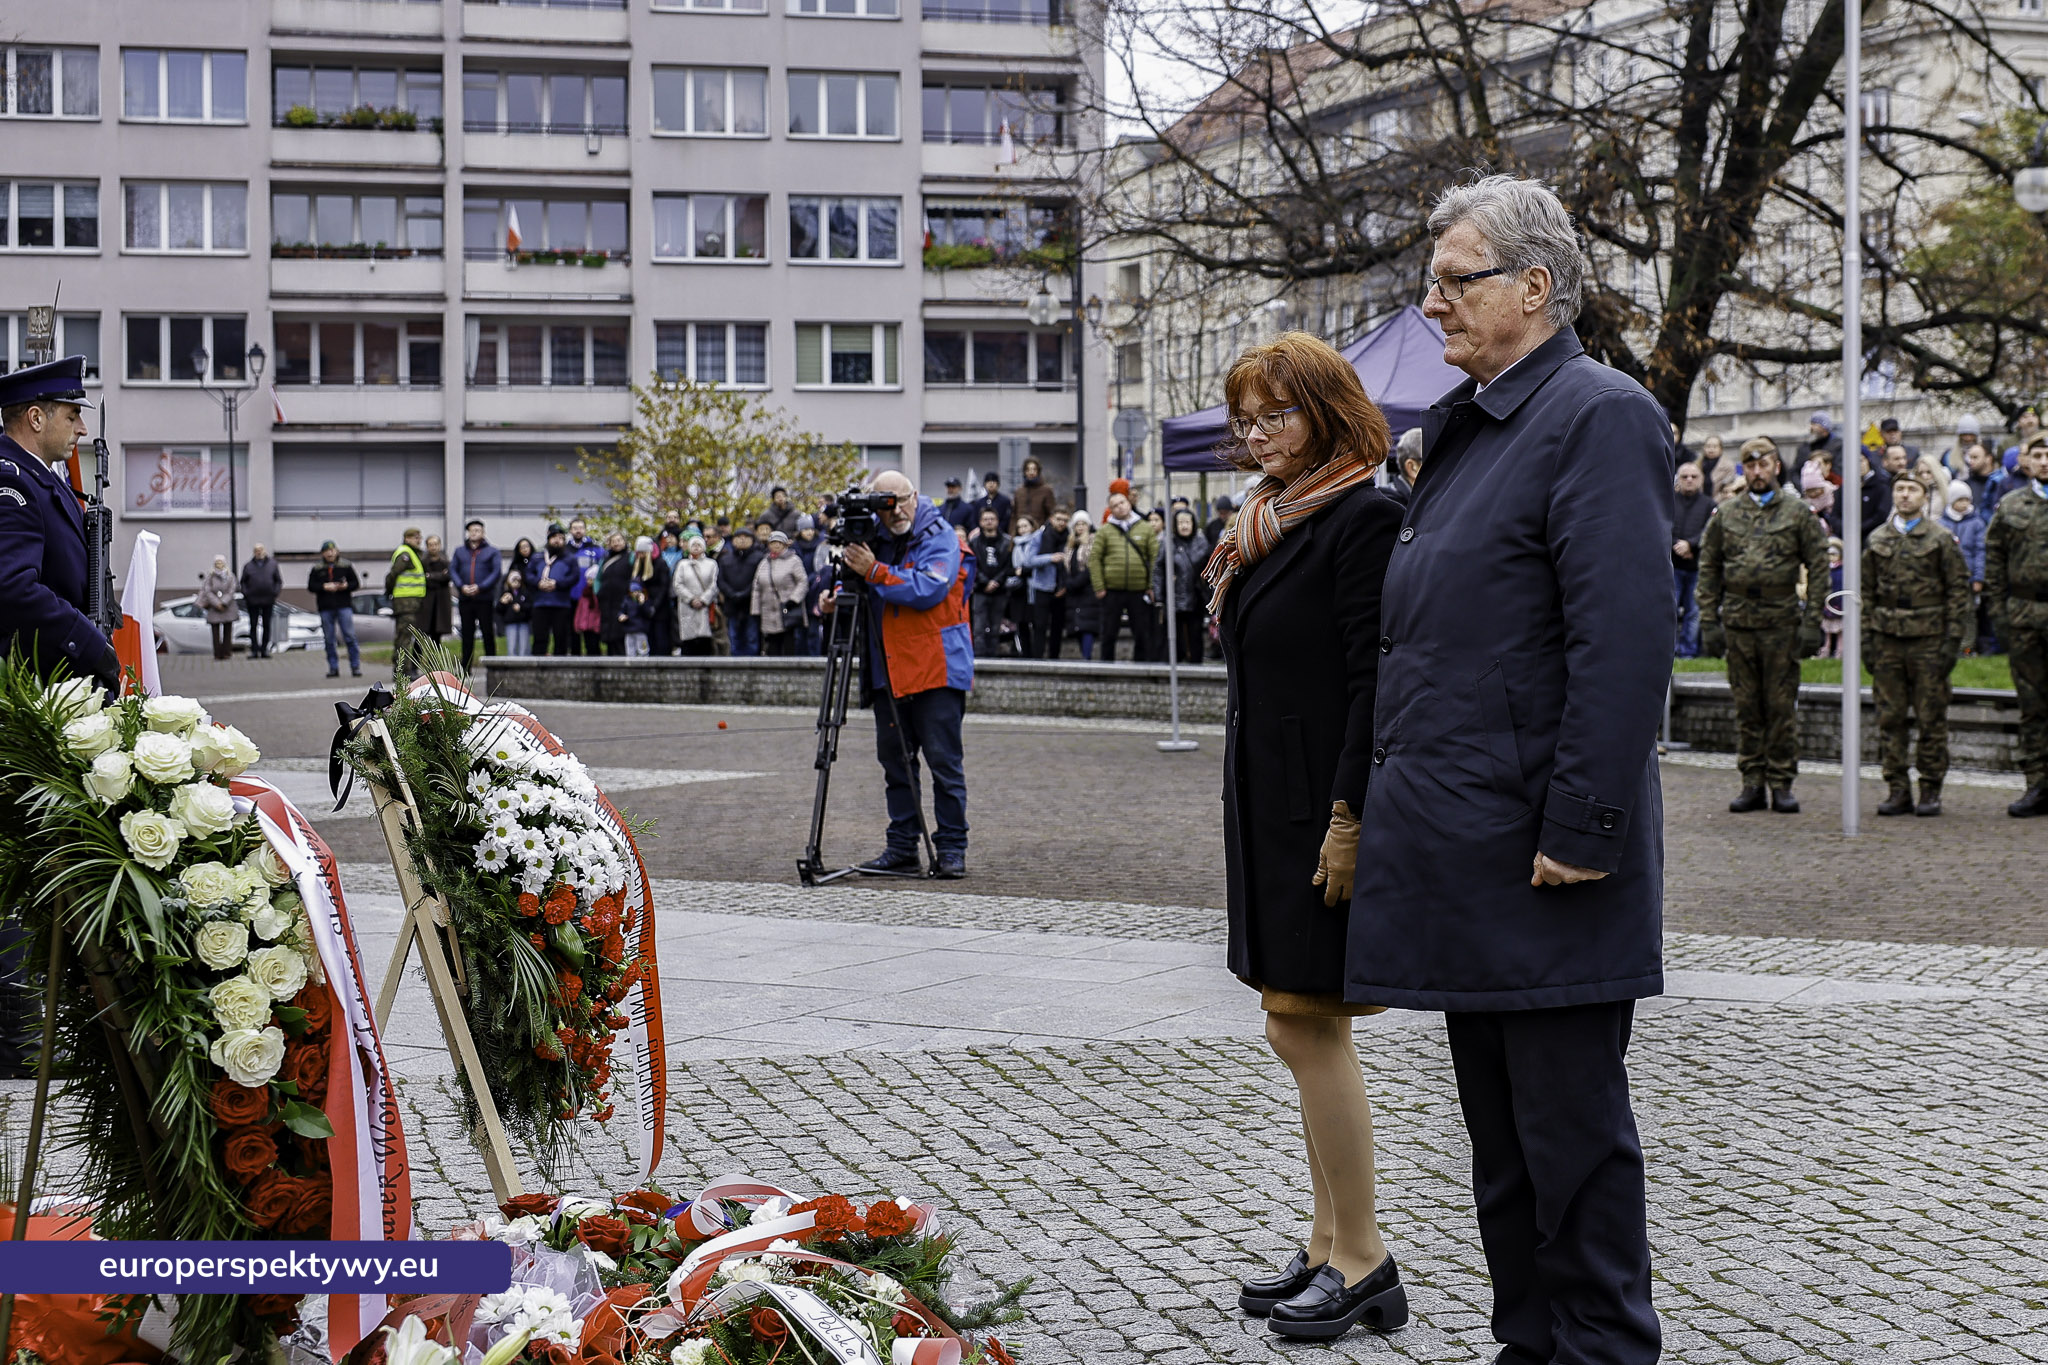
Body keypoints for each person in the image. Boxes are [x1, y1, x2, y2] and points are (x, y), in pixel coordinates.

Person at [1353, 174, 1669, 1365]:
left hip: (1548, 861)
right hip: (1467, 849)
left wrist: (1582, 829)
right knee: (1501, 1152)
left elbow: (1621, 643)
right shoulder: (1471, 429)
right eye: (1431, 279)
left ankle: (1596, 1352)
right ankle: (1527, 1348)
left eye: (1453, 279)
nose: (1429, 302)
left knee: (1571, 1151)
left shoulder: (1597, 414)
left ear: (1534, 288)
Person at [1199, 333, 1406, 1341]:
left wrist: (1347, 815)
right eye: (1246, 417)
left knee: (1304, 1022)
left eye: (1275, 413)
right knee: (1296, 1022)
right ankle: (1331, 1241)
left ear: (1325, 410)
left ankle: (1361, 1254)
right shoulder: (1270, 524)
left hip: (1318, 807)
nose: (1257, 434)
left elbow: (1376, 679)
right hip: (1268, 803)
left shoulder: (1361, 518)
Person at [821, 470, 974, 878]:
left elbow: (929, 589)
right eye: (888, 504)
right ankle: (903, 846)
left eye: (904, 499)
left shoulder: (940, 535)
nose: (899, 510)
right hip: (888, 669)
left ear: (916, 495)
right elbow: (869, 586)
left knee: (944, 763)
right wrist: (838, 597)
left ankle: (952, 848)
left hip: (936, 668)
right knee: (895, 763)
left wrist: (874, 572)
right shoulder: (874, 537)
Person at [1698, 439, 1831, 812]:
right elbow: (1709, 569)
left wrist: (1811, 621)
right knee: (1746, 706)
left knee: (1780, 705)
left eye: (1764, 465)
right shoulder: (1726, 514)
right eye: (1750, 466)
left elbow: (1819, 566)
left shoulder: (1797, 512)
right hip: (1740, 622)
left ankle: (1781, 781)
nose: (1757, 472)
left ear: (1775, 467)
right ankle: (1752, 780)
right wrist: (1709, 620)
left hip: (1781, 622)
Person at [0, 355, 120, 689]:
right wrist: (87, 643)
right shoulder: (11, 483)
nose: (82, 429)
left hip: (58, 675)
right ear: (36, 418)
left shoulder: (45, 480)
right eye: (73, 415)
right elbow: (12, 588)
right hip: (32, 684)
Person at [1862, 468, 1972, 817]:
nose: (1905, 495)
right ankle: (1897, 789)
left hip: (1928, 640)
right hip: (1888, 640)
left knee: (1931, 718)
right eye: (1899, 489)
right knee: (1890, 718)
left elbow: (1958, 592)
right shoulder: (1877, 539)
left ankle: (1930, 789)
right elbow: (1864, 593)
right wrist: (1866, 639)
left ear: (1925, 496)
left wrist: (1953, 642)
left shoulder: (1940, 539)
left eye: (1912, 489)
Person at [1984, 437, 2048, 816]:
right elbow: (1993, 564)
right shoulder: (2010, 506)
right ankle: (2037, 784)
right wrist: (2000, 616)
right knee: (2033, 705)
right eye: (2038, 456)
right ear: (2026, 462)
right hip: (2025, 614)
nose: (2045, 462)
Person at [1089, 490, 1159, 661]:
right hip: (1111, 590)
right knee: (1108, 633)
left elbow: (1155, 558)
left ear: (1129, 503)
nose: (1119, 507)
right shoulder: (1105, 531)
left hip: (1139, 590)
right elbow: (1095, 559)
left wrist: (1151, 586)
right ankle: (1106, 668)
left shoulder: (1145, 528)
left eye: (1122, 503)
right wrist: (1099, 586)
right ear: (1111, 510)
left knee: (1142, 633)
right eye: (1114, 505)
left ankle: (1141, 668)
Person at [1156, 506, 1211, 665]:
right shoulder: (1168, 542)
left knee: (1195, 634)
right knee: (1175, 634)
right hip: (1174, 596)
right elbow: (1159, 568)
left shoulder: (1201, 542)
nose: (1184, 526)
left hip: (1196, 596)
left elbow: (1210, 568)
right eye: (1181, 523)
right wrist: (1159, 594)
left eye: (1187, 522)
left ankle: (1195, 662)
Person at [1015, 507, 1071, 659]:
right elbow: (1029, 561)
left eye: (1065, 520)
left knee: (1057, 628)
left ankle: (1055, 658)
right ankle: (1037, 658)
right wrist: (1050, 558)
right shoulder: (1040, 536)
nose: (1062, 523)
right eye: (1059, 519)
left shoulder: (1069, 536)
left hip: (1062, 587)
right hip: (1042, 586)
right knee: (1039, 626)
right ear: (1052, 518)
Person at [1945, 482, 1991, 654]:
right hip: (1949, 577)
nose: (1964, 504)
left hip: (1969, 576)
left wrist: (1979, 577)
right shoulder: (1942, 523)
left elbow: (1981, 551)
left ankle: (1967, 647)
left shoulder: (1977, 523)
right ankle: (1950, 647)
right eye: (1960, 500)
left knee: (1969, 613)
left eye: (1967, 500)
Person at [1671, 461, 1711, 657]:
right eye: (1685, 476)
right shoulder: (1668, 501)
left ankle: (1688, 652)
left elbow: (1709, 530)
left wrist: (1691, 545)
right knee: (1669, 610)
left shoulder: (1709, 504)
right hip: (1672, 565)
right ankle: (1669, 651)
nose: (1689, 480)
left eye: (1694, 477)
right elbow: (1661, 526)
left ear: (1701, 480)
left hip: (1696, 566)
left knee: (1693, 612)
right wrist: (1676, 544)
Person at [528, 523, 584, 657]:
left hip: (561, 604)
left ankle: (560, 668)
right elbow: (528, 574)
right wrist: (538, 583)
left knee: (561, 638)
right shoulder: (538, 557)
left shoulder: (570, 558)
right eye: (554, 537)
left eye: (560, 537)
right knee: (540, 638)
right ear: (548, 539)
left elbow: (574, 577)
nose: (557, 540)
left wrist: (557, 584)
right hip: (540, 603)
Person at [452, 519, 502, 668]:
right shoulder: (459, 551)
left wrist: (481, 586)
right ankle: (465, 667)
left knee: (487, 632)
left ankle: (492, 665)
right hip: (465, 598)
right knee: (467, 634)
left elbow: (496, 572)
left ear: (483, 532)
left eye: (477, 530)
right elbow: (453, 570)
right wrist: (461, 586)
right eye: (471, 530)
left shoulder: (492, 551)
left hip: (484, 598)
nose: (474, 533)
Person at [309, 540, 362, 678]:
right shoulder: (317, 568)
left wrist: (345, 586)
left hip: (343, 605)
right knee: (329, 639)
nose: (330, 553)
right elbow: (311, 586)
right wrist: (324, 587)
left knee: (349, 636)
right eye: (327, 551)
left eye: (332, 550)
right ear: (323, 553)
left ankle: (355, 666)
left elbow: (355, 583)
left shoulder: (346, 565)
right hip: (326, 607)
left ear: (337, 551)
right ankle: (333, 668)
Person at [752, 530, 808, 656]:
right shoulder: (764, 563)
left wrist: (794, 599)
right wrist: (755, 609)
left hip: (787, 609)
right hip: (768, 609)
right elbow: (756, 587)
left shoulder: (794, 560)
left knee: (788, 641)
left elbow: (803, 581)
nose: (776, 546)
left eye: (779, 543)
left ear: (784, 545)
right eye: (773, 543)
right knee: (771, 643)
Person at [966, 509, 1012, 658]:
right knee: (978, 627)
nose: (989, 522)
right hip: (980, 589)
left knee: (995, 626)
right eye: (985, 519)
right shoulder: (974, 542)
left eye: (992, 518)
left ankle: (992, 656)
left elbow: (1008, 565)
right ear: (980, 522)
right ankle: (979, 657)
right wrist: (985, 581)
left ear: (997, 521)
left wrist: (997, 581)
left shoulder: (1006, 541)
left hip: (1000, 590)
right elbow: (972, 564)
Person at [717, 526, 764, 656]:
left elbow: (759, 579)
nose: (742, 540)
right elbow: (720, 580)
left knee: (752, 637)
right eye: (738, 537)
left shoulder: (759, 557)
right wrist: (731, 594)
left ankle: (752, 667)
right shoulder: (725, 558)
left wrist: (745, 593)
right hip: (732, 605)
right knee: (734, 637)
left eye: (746, 537)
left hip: (751, 605)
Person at [385, 527, 430, 665]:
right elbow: (392, 575)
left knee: (405, 636)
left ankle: (403, 669)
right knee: (404, 638)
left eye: (419, 537)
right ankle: (403, 670)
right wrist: (389, 591)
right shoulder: (405, 554)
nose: (419, 540)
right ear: (407, 539)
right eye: (416, 537)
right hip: (405, 603)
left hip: (411, 602)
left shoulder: (413, 554)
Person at [672, 535, 719, 656]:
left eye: (699, 544)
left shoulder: (712, 564)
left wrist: (703, 599)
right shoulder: (682, 564)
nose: (696, 547)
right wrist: (691, 599)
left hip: (705, 606)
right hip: (687, 606)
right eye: (693, 544)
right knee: (689, 640)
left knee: (704, 639)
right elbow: (677, 584)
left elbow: (714, 584)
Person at [566, 517, 606, 655]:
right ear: (571, 530)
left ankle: (595, 660)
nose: (578, 531)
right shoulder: (565, 550)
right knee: (573, 631)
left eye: (581, 528)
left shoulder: (596, 549)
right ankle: (574, 660)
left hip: (590, 598)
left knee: (592, 631)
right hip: (571, 597)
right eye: (575, 528)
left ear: (585, 530)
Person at [239, 543, 283, 659]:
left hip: (268, 599)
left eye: (260, 550)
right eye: (256, 550)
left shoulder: (272, 565)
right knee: (253, 626)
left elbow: (278, 581)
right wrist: (246, 594)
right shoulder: (248, 566)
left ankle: (264, 650)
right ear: (254, 552)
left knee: (266, 625)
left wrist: (274, 593)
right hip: (252, 600)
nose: (259, 552)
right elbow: (243, 582)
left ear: (264, 551)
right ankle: (254, 650)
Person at [592, 531, 633, 655]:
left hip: (623, 601)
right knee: (608, 633)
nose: (616, 543)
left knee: (620, 632)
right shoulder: (604, 560)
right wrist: (598, 592)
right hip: (606, 602)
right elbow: (598, 578)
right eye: (613, 541)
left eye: (619, 540)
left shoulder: (630, 557)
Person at [1063, 513, 1098, 659]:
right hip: (1073, 592)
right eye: (1077, 524)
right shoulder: (1071, 545)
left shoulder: (1093, 542)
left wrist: (1076, 582)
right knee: (1077, 626)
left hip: (1088, 590)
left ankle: (1087, 657)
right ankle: (1084, 655)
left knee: (1087, 626)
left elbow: (1092, 566)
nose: (1081, 527)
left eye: (1083, 524)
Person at [199, 555, 239, 660]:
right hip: (214, 607)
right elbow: (207, 591)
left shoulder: (230, 576)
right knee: (215, 631)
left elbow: (232, 590)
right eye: (217, 562)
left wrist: (224, 602)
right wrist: (217, 603)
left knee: (228, 630)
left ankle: (227, 652)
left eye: (221, 562)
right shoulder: (210, 576)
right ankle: (217, 653)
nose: (219, 564)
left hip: (228, 606)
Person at [497, 568, 532, 657]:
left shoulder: (525, 593)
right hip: (510, 623)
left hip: (523, 622)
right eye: (513, 580)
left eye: (518, 580)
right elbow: (498, 610)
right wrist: (502, 602)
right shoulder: (505, 593)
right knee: (512, 647)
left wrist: (521, 607)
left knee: (524, 647)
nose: (516, 583)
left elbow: (530, 606)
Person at [1014, 456, 1057, 528]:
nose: (1031, 472)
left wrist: (1044, 529)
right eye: (1028, 469)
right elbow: (1014, 515)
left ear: (1038, 471)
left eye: (1034, 469)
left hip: (1039, 533)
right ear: (1024, 472)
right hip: (1020, 533)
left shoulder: (1046, 490)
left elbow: (1051, 514)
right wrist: (1013, 532)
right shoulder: (1019, 492)